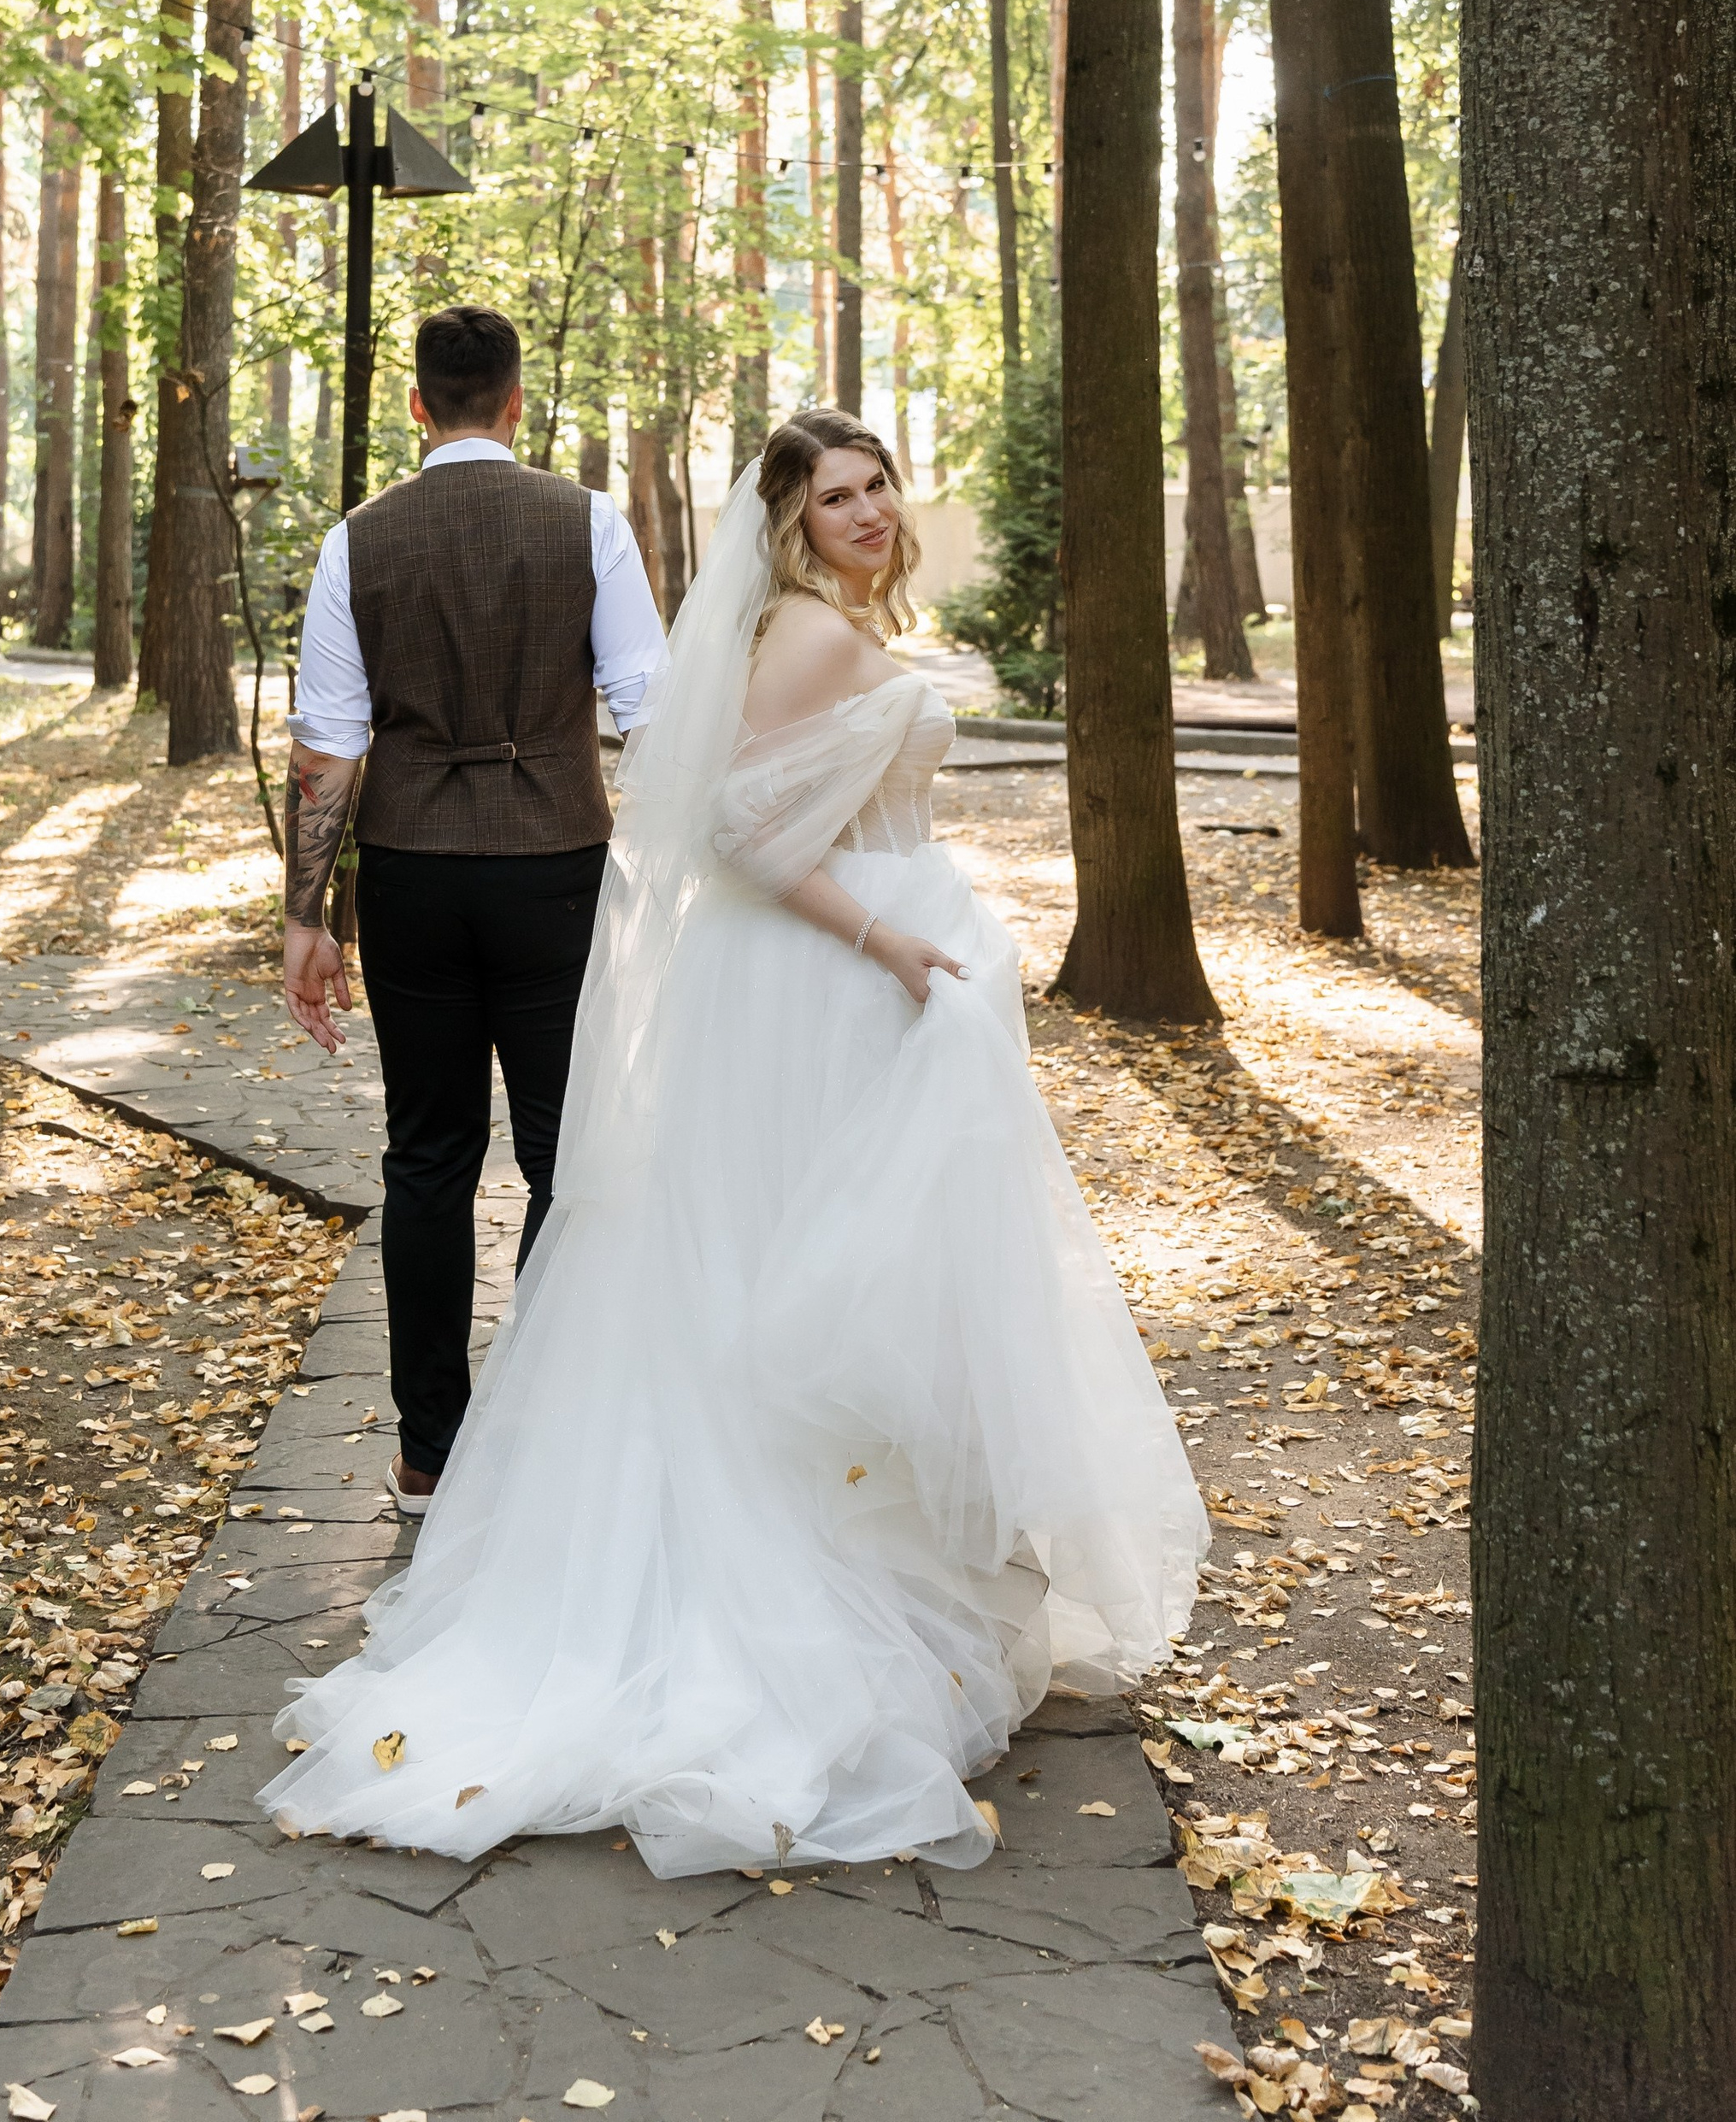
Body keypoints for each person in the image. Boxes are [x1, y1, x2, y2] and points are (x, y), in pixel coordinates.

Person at [261, 409, 1207, 1879]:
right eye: (839, 494)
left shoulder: (819, 622)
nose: (873, 508)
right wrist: (894, 940)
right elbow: (744, 840)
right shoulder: (815, 639)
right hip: (835, 981)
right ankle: (793, 1598)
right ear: (793, 519)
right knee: (809, 1273)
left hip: (852, 977)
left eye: (880, 481)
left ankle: (882, 1561)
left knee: (841, 1268)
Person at [280, 303, 667, 1518]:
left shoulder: (359, 539)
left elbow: (327, 752)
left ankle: (428, 1454)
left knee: (429, 1158)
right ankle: (554, 1424)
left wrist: (307, 919)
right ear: (513, 402)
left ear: (418, 407)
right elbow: (652, 711)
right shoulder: (588, 521)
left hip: (410, 875)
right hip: (558, 867)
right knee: (564, 1151)